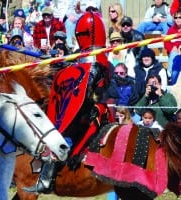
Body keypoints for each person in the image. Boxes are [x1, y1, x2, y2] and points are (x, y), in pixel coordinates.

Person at [24, 10, 112, 194]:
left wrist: (70, 70)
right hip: (98, 109)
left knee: (61, 138)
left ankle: (46, 180)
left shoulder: (94, 64)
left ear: (82, 35)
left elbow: (82, 90)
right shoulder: (98, 61)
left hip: (89, 113)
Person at [164, 8, 181, 79]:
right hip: (175, 54)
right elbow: (166, 43)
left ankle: (169, 74)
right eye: (176, 17)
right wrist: (172, 48)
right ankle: (169, 75)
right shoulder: (171, 30)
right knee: (174, 55)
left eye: (180, 17)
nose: (178, 19)